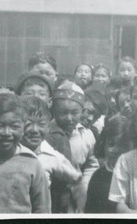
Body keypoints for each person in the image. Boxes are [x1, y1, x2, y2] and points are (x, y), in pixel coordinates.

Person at [46, 83, 99, 213]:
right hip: (50, 192)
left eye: (75, 112)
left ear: (82, 111)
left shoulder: (86, 135)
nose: (69, 118)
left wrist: (84, 186)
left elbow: (91, 164)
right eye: (63, 112)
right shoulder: (45, 133)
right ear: (54, 111)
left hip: (77, 192)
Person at [21, 97, 81, 187]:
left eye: (41, 124)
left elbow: (77, 178)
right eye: (28, 124)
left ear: (48, 127)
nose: (34, 130)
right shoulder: (10, 151)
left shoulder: (53, 157)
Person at [85, 116, 133, 213]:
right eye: (111, 144)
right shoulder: (98, 177)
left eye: (123, 145)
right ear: (103, 144)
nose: (116, 150)